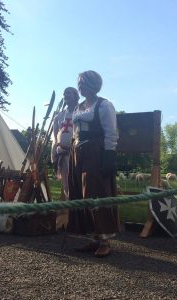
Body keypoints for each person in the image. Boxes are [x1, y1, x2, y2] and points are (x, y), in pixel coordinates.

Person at [67, 70, 119, 257]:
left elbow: (111, 132)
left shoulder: (104, 105)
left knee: (96, 191)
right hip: (77, 152)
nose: (80, 86)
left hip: (95, 151)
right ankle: (93, 237)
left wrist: (108, 156)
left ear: (92, 84)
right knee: (80, 193)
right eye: (78, 83)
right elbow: (75, 133)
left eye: (83, 83)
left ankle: (105, 239)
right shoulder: (78, 107)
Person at [51, 87, 79, 228]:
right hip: (63, 154)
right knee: (67, 186)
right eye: (64, 93)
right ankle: (71, 218)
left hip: (77, 154)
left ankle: (79, 218)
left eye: (69, 93)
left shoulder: (81, 112)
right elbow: (55, 136)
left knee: (78, 185)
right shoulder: (59, 116)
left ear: (76, 96)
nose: (65, 95)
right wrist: (54, 153)